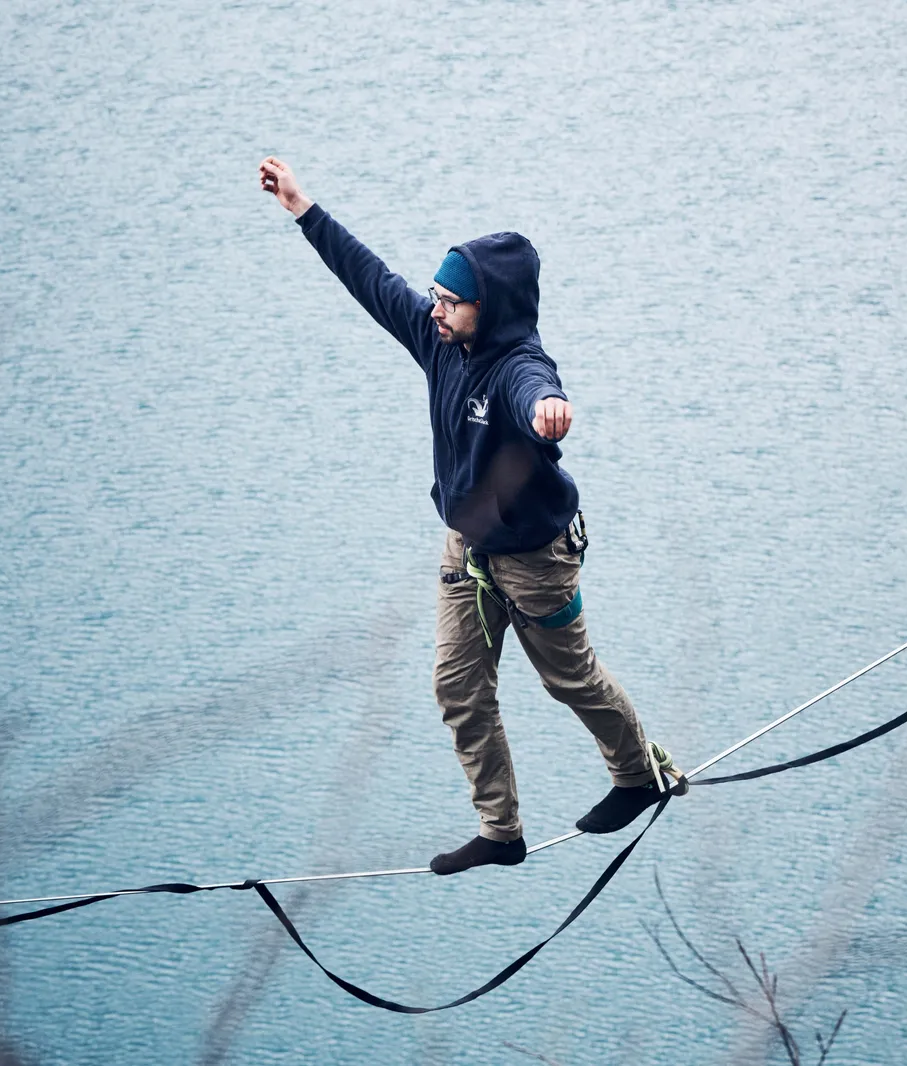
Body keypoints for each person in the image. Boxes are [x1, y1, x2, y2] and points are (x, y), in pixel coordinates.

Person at [258, 156, 683, 875]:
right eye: (436, 297)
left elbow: (536, 390)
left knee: (570, 680)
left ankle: (638, 776)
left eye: (451, 302)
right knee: (457, 687)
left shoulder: (519, 365)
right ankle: (500, 830)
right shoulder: (437, 341)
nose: (436, 310)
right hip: (465, 548)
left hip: (536, 558)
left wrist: (550, 414)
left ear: (490, 308)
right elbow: (370, 278)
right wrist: (303, 207)